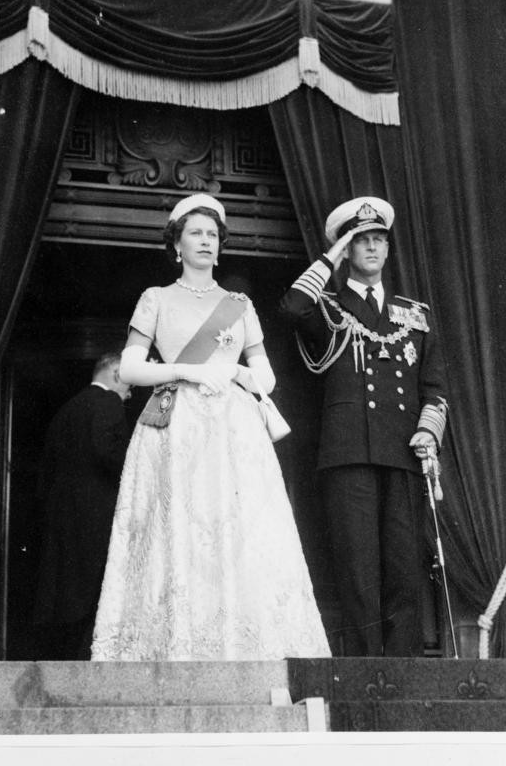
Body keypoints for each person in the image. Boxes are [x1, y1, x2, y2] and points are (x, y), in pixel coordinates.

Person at [90, 193, 330, 661]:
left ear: (221, 246)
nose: (205, 241)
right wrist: (190, 372)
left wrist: (241, 374)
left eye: (212, 235)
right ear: (175, 245)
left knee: (238, 532)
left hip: (232, 431)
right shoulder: (155, 299)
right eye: (195, 233)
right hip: (176, 426)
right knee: (179, 529)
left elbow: (266, 376)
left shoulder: (238, 304)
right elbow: (133, 369)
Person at [280, 196, 447, 657]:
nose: (372, 248)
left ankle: (405, 668)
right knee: (357, 569)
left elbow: (435, 388)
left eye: (378, 240)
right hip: (348, 453)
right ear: (347, 251)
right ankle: (365, 669)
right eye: (361, 241)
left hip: (402, 454)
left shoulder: (414, 315)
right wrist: (328, 257)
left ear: (388, 249)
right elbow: (293, 307)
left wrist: (428, 430)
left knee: (404, 567)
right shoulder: (329, 308)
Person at [34, 351, 133, 659]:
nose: (130, 394)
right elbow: (109, 453)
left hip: (62, 516)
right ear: (117, 373)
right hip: (97, 515)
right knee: (96, 589)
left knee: (67, 590)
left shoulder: (66, 409)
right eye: (130, 384)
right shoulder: (108, 403)